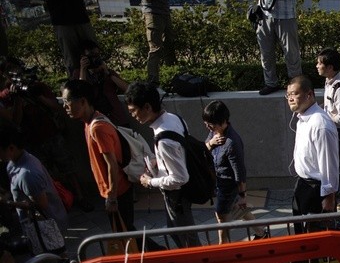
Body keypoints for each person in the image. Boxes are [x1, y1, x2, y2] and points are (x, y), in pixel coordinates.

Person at [61, 80, 163, 251]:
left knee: (125, 232)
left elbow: (112, 165)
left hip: (118, 191)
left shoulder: (97, 127)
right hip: (116, 190)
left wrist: (112, 197)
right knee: (125, 231)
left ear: (83, 101)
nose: (65, 107)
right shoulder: (94, 120)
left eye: (67, 101)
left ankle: (160, 255)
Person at [0, 56, 92, 212]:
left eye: (15, 68)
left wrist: (37, 96)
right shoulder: (7, 94)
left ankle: (80, 197)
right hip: (31, 141)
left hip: (51, 134)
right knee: (48, 176)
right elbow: (15, 120)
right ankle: (61, 201)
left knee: (68, 168)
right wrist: (17, 100)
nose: (13, 73)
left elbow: (56, 106)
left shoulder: (36, 85)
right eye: (9, 71)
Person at [126, 81, 203, 249]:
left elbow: (179, 178)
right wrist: (158, 162)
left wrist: (150, 182)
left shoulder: (164, 138)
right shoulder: (174, 119)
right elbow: (181, 152)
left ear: (147, 107)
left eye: (133, 111)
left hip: (177, 195)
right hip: (182, 193)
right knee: (176, 232)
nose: (133, 116)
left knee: (188, 241)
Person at [202, 100, 267, 243]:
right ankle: (261, 232)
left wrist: (243, 194)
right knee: (240, 209)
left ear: (222, 121)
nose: (207, 127)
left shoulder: (232, 142)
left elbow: (239, 171)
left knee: (221, 216)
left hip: (227, 186)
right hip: (218, 182)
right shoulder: (213, 133)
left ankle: (223, 246)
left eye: (210, 123)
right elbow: (204, 151)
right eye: (206, 123)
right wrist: (210, 144)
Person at [0, 124, 68, 259]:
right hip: (37, 225)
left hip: (46, 227)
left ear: (11, 148)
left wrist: (7, 202)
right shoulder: (14, 162)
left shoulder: (27, 173)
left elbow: (41, 205)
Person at [286, 75, 339, 233]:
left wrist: (329, 197)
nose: (290, 98)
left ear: (309, 94)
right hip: (303, 185)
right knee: (301, 231)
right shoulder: (303, 118)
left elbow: (329, 163)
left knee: (315, 237)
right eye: (288, 95)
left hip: (317, 190)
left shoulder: (320, 124)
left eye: (294, 94)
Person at [316, 47, 340, 211]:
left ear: (330, 67)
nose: (317, 66)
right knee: (333, 163)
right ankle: (335, 194)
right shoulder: (329, 82)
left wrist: (324, 115)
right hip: (332, 130)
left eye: (320, 63)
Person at [253, 0, 306, 96]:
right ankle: (270, 83)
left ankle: (296, 86)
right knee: (266, 53)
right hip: (264, 13)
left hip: (286, 14)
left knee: (291, 53)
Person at [39, 0, 97, 77]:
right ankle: (76, 88)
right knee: (72, 61)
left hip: (81, 17)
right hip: (62, 21)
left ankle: (102, 82)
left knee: (93, 52)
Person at [74, 40, 131, 127]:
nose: (94, 59)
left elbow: (128, 89)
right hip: (98, 123)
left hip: (118, 120)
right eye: (91, 56)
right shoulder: (79, 74)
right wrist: (83, 70)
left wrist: (108, 73)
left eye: (97, 56)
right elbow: (80, 92)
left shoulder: (107, 73)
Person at [136, 0, 177, 86]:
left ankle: (173, 76)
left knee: (170, 44)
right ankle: (153, 81)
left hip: (165, 12)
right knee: (155, 48)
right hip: (152, 14)